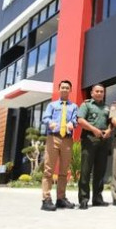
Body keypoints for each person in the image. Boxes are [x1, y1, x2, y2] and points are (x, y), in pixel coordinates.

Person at [41, 80, 79, 211]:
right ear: (59, 89)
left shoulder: (74, 107)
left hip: (67, 139)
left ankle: (61, 198)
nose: (65, 89)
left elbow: (75, 120)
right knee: (48, 170)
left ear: (70, 90)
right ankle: (46, 199)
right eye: (63, 87)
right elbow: (45, 118)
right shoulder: (52, 105)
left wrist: (72, 123)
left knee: (64, 171)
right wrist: (50, 122)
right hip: (53, 138)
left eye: (67, 88)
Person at [77, 84, 113, 210]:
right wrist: (94, 129)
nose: (99, 93)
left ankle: (97, 198)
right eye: (97, 91)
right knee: (86, 170)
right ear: (92, 93)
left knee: (100, 171)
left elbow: (111, 122)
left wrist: (109, 130)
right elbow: (80, 120)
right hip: (89, 139)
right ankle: (83, 199)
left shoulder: (107, 107)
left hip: (103, 140)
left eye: (101, 91)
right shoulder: (86, 105)